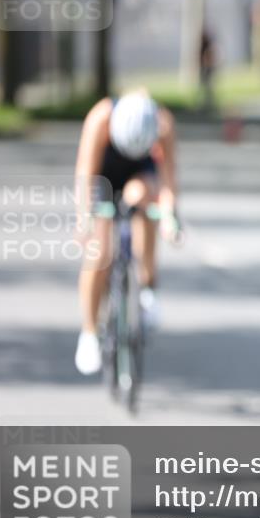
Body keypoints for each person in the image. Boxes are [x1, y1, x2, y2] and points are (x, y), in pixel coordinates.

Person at [74, 89, 180, 375]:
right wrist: (84, 219)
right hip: (103, 173)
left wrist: (170, 219)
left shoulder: (163, 124)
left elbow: (169, 180)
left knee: (143, 202)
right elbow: (85, 173)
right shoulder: (100, 119)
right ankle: (89, 332)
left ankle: (147, 288)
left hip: (139, 173)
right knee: (99, 252)